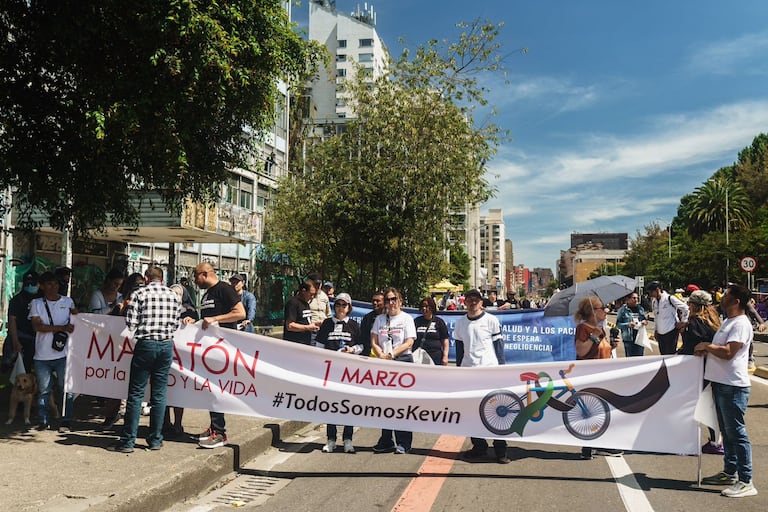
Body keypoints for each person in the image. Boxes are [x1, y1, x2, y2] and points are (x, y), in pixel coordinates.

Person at [107, 267, 182, 453]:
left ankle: (128, 441)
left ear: (147, 279)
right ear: (162, 279)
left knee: (136, 394)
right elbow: (176, 324)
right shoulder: (173, 296)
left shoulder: (139, 294)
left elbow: (131, 324)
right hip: (166, 345)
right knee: (159, 394)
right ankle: (155, 439)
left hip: (146, 344)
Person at [697, 284, 757, 498]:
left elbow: (729, 352)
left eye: (726, 295)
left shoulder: (740, 323)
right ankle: (730, 472)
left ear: (736, 301)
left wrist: (707, 346)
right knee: (727, 432)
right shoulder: (729, 321)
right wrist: (708, 352)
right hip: (721, 383)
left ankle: (746, 480)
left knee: (737, 434)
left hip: (733, 386)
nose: (722, 297)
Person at [186, 262, 246, 448]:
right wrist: (194, 321)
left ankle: (220, 433)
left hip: (223, 348)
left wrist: (215, 319)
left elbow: (240, 313)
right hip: (210, 349)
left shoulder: (224, 289)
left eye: (196, 276)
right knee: (209, 389)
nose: (195, 281)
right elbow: (207, 321)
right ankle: (214, 426)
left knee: (216, 389)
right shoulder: (207, 294)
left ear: (205, 274)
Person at [454, 289, 509, 464]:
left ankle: (500, 449)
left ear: (481, 302)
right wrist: (459, 371)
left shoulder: (491, 320)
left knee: (496, 411)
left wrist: (502, 368)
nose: (473, 303)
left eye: (476, 300)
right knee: (472, 412)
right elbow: (460, 350)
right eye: (469, 300)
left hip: (489, 371)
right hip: (469, 373)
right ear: (465, 302)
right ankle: (479, 446)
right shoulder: (460, 323)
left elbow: (499, 346)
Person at [573, 296, 621, 459]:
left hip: (603, 375)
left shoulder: (600, 329)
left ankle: (598, 444)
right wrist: (594, 335)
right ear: (592, 311)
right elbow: (581, 351)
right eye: (602, 308)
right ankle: (590, 446)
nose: (606, 311)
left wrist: (612, 345)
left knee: (601, 411)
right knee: (593, 411)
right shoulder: (583, 328)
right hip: (590, 376)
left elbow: (601, 350)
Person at [29, 271, 78, 432]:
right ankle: (43, 421)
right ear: (42, 286)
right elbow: (37, 326)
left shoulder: (68, 301)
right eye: (49, 284)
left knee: (66, 388)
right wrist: (61, 328)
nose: (53, 286)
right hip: (42, 355)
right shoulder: (36, 303)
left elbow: (78, 320)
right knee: (44, 390)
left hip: (63, 354)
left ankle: (66, 420)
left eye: (56, 283)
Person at [371, 287, 416, 454]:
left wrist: (392, 354)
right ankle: (386, 440)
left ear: (400, 301)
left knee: (401, 404)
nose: (391, 303)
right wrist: (381, 355)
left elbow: (409, 342)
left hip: (402, 361)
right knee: (385, 403)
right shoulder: (380, 319)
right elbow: (374, 341)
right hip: (384, 363)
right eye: (388, 300)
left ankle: (404, 442)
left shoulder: (406, 319)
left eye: (394, 299)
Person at [678, 290, 723, 455]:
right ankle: (716, 441)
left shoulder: (694, 323)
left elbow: (691, 348)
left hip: (695, 371)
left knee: (689, 406)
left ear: (694, 305)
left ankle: (687, 442)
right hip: (712, 369)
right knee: (709, 406)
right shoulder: (715, 322)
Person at [100, 272, 146, 430]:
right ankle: (111, 416)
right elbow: (108, 322)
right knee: (115, 385)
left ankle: (130, 421)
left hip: (138, 349)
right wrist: (118, 308)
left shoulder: (146, 301)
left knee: (135, 388)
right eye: (135, 286)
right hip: (120, 351)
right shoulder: (120, 304)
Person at [316, 293, 359, 453]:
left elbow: (362, 346)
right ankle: (331, 439)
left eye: (344, 305)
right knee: (331, 405)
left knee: (348, 405)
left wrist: (352, 349)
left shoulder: (354, 325)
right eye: (338, 304)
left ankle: (348, 439)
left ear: (349, 308)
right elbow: (319, 346)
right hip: (331, 371)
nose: (341, 308)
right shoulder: (327, 324)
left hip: (349, 372)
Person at [163, 283, 199, 438]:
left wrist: (191, 321)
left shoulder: (190, 310)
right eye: (172, 292)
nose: (175, 296)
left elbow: (198, 326)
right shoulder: (163, 307)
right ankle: (164, 423)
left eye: (178, 293)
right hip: (165, 354)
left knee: (178, 393)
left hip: (181, 358)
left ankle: (178, 424)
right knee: (163, 391)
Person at [7, 271, 40, 374]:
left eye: (33, 283)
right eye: (27, 283)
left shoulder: (43, 298)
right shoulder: (17, 300)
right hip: (23, 336)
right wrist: (15, 341)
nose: (30, 286)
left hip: (41, 336)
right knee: (24, 367)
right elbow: (12, 321)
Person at [647, 281, 689, 355]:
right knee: (663, 355)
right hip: (660, 333)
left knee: (670, 354)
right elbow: (656, 317)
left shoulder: (670, 299)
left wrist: (683, 322)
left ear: (657, 289)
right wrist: (656, 330)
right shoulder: (654, 302)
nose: (650, 294)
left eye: (651, 292)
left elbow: (686, 308)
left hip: (671, 331)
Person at [414, 297, 450, 366]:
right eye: (422, 306)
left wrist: (445, 356)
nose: (424, 308)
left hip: (435, 357)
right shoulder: (416, 321)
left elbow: (445, 340)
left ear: (432, 307)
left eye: (426, 306)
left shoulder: (439, 322)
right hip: (419, 357)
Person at [283, 280, 322, 345]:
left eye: (314, 295)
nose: (312, 297)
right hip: (294, 343)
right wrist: (308, 327)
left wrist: (314, 324)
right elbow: (290, 326)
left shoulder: (306, 304)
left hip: (306, 342)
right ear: (304, 291)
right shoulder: (293, 303)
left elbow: (303, 321)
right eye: (311, 294)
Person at [615, 292, 648, 357]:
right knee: (630, 359)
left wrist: (644, 322)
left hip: (639, 338)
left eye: (637, 298)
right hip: (628, 339)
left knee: (640, 359)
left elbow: (645, 319)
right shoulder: (622, 310)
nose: (636, 300)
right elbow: (618, 324)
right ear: (628, 299)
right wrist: (628, 325)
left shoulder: (640, 309)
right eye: (634, 298)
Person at [355, 290, 384, 357]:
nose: (375, 303)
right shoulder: (367, 318)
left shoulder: (390, 317)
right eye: (373, 301)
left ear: (384, 302)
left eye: (378, 301)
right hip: (368, 355)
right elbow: (362, 338)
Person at [307, 273, 331, 343]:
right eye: (316, 284)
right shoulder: (306, 295)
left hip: (324, 330)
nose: (318, 286)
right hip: (311, 330)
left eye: (319, 284)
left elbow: (328, 314)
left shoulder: (324, 296)